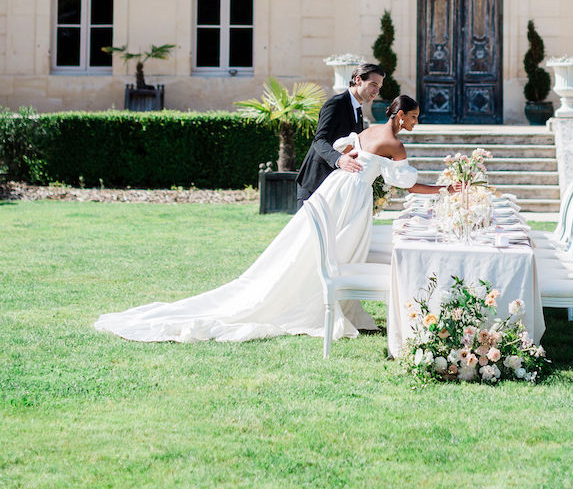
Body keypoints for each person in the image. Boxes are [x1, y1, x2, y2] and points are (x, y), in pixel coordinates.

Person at [94, 95, 456, 345]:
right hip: (353, 200)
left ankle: (338, 302)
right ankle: (326, 303)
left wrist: (355, 168)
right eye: (413, 116)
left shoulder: (371, 130)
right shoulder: (395, 143)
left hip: (335, 191)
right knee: (340, 250)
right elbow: (408, 185)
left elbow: (346, 148)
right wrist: (445, 189)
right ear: (399, 116)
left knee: (317, 248)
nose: (416, 122)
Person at [295, 61, 384, 205]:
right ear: (358, 80)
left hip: (334, 186)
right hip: (314, 183)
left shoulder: (358, 110)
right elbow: (319, 140)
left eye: (379, 87)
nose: (377, 91)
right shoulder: (336, 103)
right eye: (373, 85)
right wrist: (339, 159)